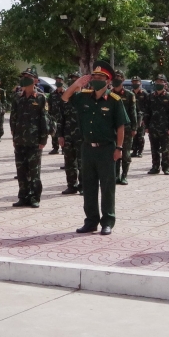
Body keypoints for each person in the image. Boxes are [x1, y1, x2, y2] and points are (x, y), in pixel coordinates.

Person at [62, 61, 128, 235]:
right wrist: (77, 84)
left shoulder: (114, 100)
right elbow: (65, 97)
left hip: (107, 149)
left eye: (101, 77)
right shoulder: (84, 96)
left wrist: (119, 148)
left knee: (107, 187)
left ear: (108, 81)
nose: (96, 79)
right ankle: (91, 221)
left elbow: (121, 126)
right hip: (87, 148)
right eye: (95, 76)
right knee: (89, 186)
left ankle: (107, 221)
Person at [10, 67, 49, 207]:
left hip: (34, 142)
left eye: (29, 77)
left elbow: (44, 121)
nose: (25, 79)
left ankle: (34, 197)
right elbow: (13, 118)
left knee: (34, 171)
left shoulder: (40, 98)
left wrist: (43, 140)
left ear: (35, 80)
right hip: (20, 140)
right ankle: (23, 196)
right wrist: (14, 137)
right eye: (24, 76)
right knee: (21, 171)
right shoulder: (17, 97)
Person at [143, 74, 169, 175]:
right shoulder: (150, 97)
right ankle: (155, 167)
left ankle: (166, 167)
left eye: (161, 82)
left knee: (165, 149)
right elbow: (147, 112)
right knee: (154, 149)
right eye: (157, 82)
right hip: (153, 127)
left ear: (165, 84)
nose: (159, 83)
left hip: (165, 128)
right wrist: (147, 126)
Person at [55, 71, 83, 193]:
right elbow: (60, 118)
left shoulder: (86, 98)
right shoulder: (66, 99)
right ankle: (72, 185)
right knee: (69, 162)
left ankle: (83, 186)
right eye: (72, 79)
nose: (74, 81)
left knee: (83, 163)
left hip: (82, 136)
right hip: (68, 135)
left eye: (77, 79)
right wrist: (60, 135)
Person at [113, 73, 138, 184]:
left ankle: (124, 176)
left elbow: (133, 112)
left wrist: (134, 127)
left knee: (126, 153)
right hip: (112, 128)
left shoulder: (129, 94)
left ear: (122, 80)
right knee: (115, 152)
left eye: (118, 78)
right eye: (114, 78)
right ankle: (116, 175)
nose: (116, 80)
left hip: (126, 128)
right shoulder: (109, 94)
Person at [48, 75, 65, 155]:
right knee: (54, 133)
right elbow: (49, 105)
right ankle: (55, 148)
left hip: (63, 117)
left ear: (63, 82)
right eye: (57, 80)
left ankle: (64, 149)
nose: (58, 82)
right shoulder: (52, 94)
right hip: (54, 116)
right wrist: (49, 116)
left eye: (60, 80)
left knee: (63, 133)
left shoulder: (66, 93)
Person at [130, 76, 147, 158]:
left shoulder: (144, 94)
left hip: (141, 118)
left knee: (140, 136)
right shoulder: (130, 93)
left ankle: (140, 151)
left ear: (140, 83)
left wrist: (145, 118)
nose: (135, 84)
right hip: (133, 118)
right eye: (133, 82)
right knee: (134, 135)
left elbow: (148, 107)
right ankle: (134, 151)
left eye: (137, 82)